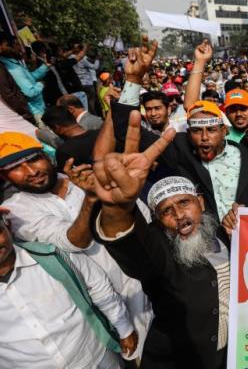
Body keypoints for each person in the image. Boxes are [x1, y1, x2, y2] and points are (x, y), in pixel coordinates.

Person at [92, 137, 230, 369]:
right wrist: (119, 208)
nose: (178, 214)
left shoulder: (226, 235)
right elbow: (137, 251)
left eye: (184, 202)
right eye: (166, 210)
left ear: (201, 203)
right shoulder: (162, 251)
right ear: (158, 221)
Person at [113, 38, 248, 221]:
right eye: (196, 131)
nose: (204, 137)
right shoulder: (180, 151)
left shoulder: (245, 152)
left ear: (224, 131)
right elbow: (128, 129)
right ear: (188, 133)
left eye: (211, 130)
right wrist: (133, 80)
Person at [0, 208, 138, 368]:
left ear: (8, 226)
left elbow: (97, 284)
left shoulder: (53, 254)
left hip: (98, 358)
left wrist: (124, 328)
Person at [0, 32, 49, 126]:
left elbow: (30, 78)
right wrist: (41, 84)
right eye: (17, 45)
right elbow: (30, 92)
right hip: (35, 112)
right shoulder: (11, 68)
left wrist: (46, 66)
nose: (20, 49)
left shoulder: (15, 63)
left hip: (39, 108)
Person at [41, 106, 100, 171]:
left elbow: (66, 177)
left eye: (51, 129)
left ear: (57, 128)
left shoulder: (64, 151)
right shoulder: (100, 134)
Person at [70, 43, 100, 116]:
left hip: (78, 83)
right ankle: (91, 117)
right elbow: (95, 67)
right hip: (87, 83)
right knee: (91, 102)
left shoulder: (69, 58)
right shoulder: (81, 59)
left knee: (82, 102)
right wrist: (97, 59)